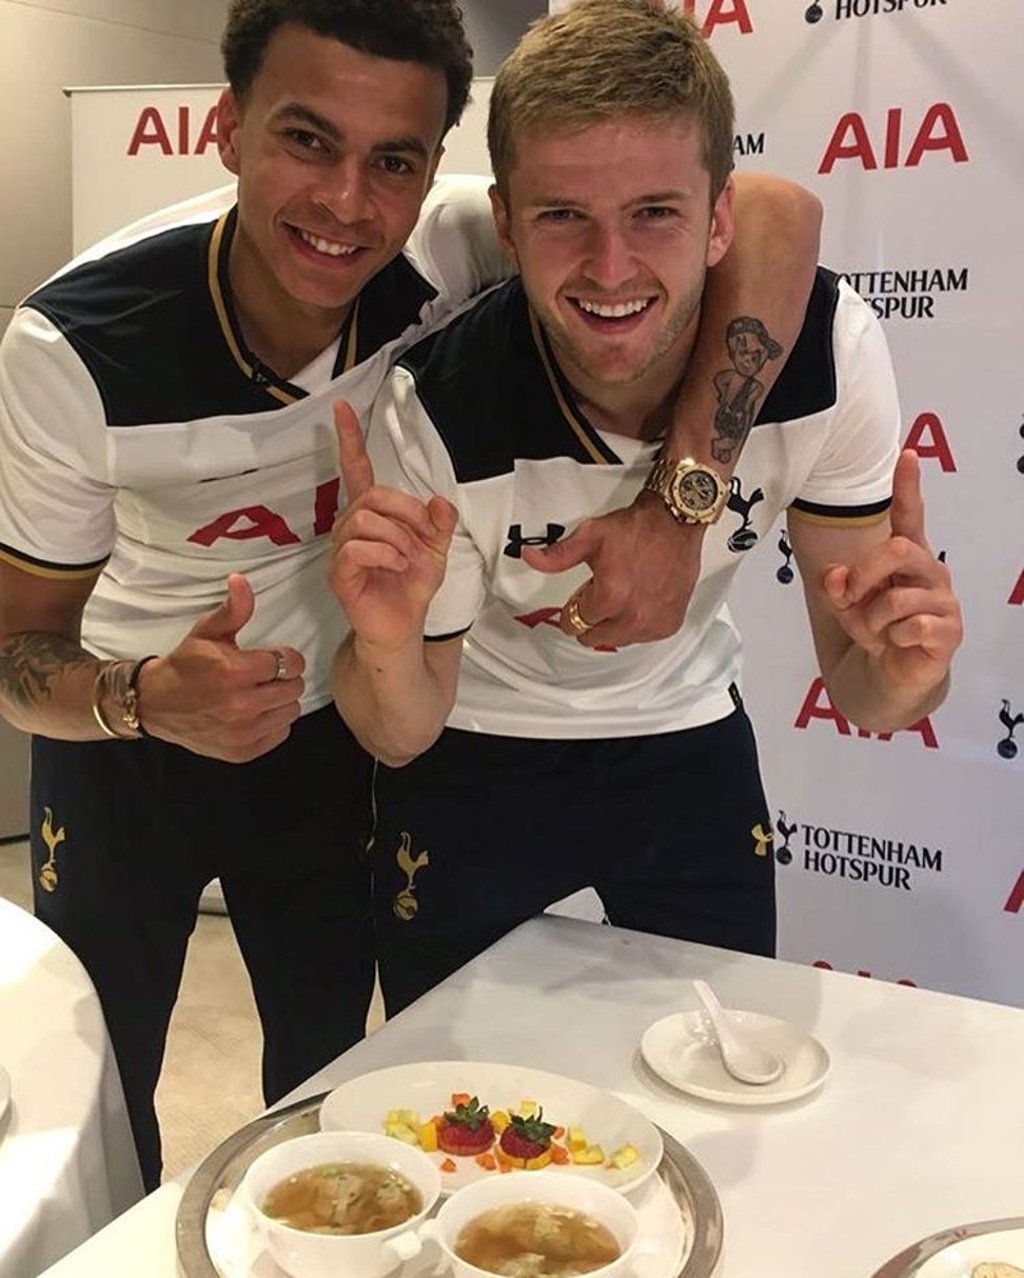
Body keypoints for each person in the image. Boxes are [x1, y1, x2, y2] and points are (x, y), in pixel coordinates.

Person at [0, 0, 817, 1187]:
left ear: (439, 166)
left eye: (393, 160)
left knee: (332, 1082)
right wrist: (139, 697)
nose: (345, 203)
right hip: (132, 730)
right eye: (305, 139)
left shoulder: (443, 246)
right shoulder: (75, 343)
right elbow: (19, 653)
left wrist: (678, 502)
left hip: (333, 728)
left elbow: (779, 217)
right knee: (104, 1086)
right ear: (224, 129)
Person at [329, 0, 964, 1017]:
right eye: (561, 216)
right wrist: (386, 644)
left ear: (719, 220)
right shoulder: (439, 404)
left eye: (655, 213)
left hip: (684, 740)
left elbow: (866, 694)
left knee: (720, 1081)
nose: (611, 269)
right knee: (445, 1095)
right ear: (504, 222)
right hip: (478, 749)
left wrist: (909, 673)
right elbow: (399, 733)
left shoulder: (825, 354)